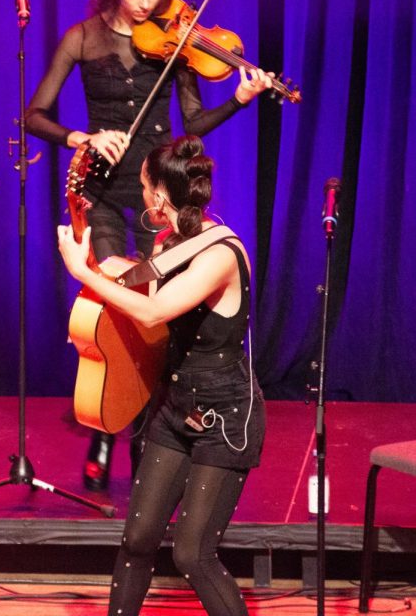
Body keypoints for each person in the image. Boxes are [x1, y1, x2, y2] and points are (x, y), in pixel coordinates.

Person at [25, 0, 271, 491]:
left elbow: (195, 124)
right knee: (115, 313)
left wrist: (237, 98)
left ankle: (142, 444)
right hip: (107, 197)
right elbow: (33, 114)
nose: (144, 5)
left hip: (161, 206)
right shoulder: (82, 39)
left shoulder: (175, 40)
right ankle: (104, 429)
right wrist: (79, 138)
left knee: (157, 322)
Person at [57, 135, 264, 615]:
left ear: (156, 197)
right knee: (137, 540)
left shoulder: (220, 254)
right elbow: (134, 299)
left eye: (143, 185)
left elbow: (154, 314)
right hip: (174, 409)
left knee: (193, 554)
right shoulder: (167, 243)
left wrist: (82, 275)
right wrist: (94, 266)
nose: (140, 193)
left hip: (225, 418)